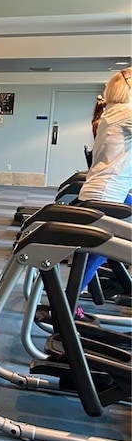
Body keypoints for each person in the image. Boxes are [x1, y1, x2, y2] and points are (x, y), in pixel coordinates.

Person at [78, 68, 132, 289]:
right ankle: (67, 301)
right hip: (107, 196)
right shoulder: (124, 114)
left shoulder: (112, 112)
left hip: (105, 192)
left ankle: (71, 295)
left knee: (100, 250)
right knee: (101, 250)